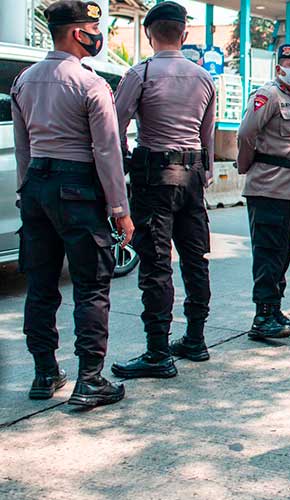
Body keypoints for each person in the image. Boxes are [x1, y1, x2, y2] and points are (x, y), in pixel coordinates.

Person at [11, 0, 129, 406]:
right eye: (94, 29)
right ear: (80, 33)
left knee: (41, 286)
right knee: (91, 287)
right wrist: (120, 210)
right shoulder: (90, 83)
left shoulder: (25, 80)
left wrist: (29, 190)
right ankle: (90, 380)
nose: (98, 36)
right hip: (77, 188)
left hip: (37, 187)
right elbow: (107, 152)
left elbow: (22, 147)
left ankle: (45, 374)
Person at [110, 1, 216, 379]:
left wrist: (123, 162)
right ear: (184, 34)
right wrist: (202, 176)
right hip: (191, 178)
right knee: (195, 259)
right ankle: (196, 339)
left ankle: (158, 352)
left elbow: (114, 127)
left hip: (154, 177)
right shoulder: (204, 78)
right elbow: (207, 137)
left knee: (156, 265)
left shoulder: (141, 74)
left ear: (148, 34)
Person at [237, 44, 290, 340]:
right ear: (280, 67)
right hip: (269, 187)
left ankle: (275, 308)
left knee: (283, 253)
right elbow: (246, 133)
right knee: (268, 253)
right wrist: (246, 168)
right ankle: (262, 315)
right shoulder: (267, 95)